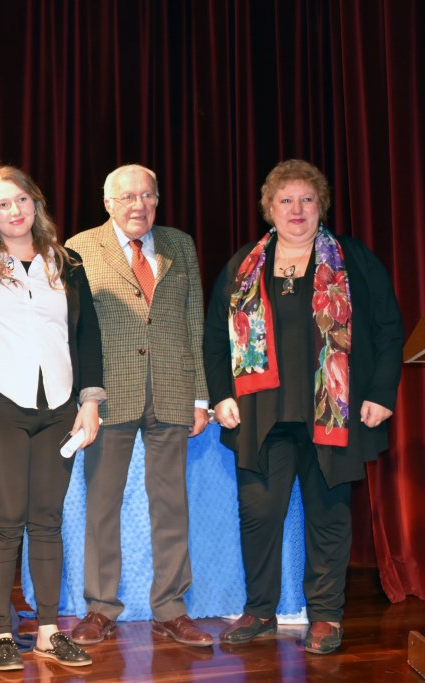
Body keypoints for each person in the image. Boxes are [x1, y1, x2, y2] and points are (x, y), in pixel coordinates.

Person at [204, 159, 403, 655]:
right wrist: (222, 394)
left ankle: (326, 616)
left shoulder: (354, 260)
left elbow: (388, 329)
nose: (297, 209)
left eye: (307, 199)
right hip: (260, 416)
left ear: (321, 206)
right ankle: (259, 611)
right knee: (258, 517)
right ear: (269, 209)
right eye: (286, 200)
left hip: (332, 415)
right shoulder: (243, 265)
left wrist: (381, 393)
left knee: (328, 516)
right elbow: (214, 339)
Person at [65, 164, 213, 648]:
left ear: (157, 200)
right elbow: (74, 329)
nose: (138, 205)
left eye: (147, 195)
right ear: (107, 203)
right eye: (127, 196)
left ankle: (171, 609)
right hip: (109, 396)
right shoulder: (80, 247)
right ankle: (99, 608)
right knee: (102, 505)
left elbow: (194, 320)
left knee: (172, 506)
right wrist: (83, 396)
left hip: (172, 391)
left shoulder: (180, 245)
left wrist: (200, 396)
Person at [0, 167, 104, 670]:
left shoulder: (66, 262)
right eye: (2, 204)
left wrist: (90, 402)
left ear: (36, 204)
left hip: (60, 406)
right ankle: (0, 633)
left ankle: (48, 632)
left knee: (47, 520)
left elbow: (87, 336)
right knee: (4, 522)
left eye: (21, 200)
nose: (15, 211)